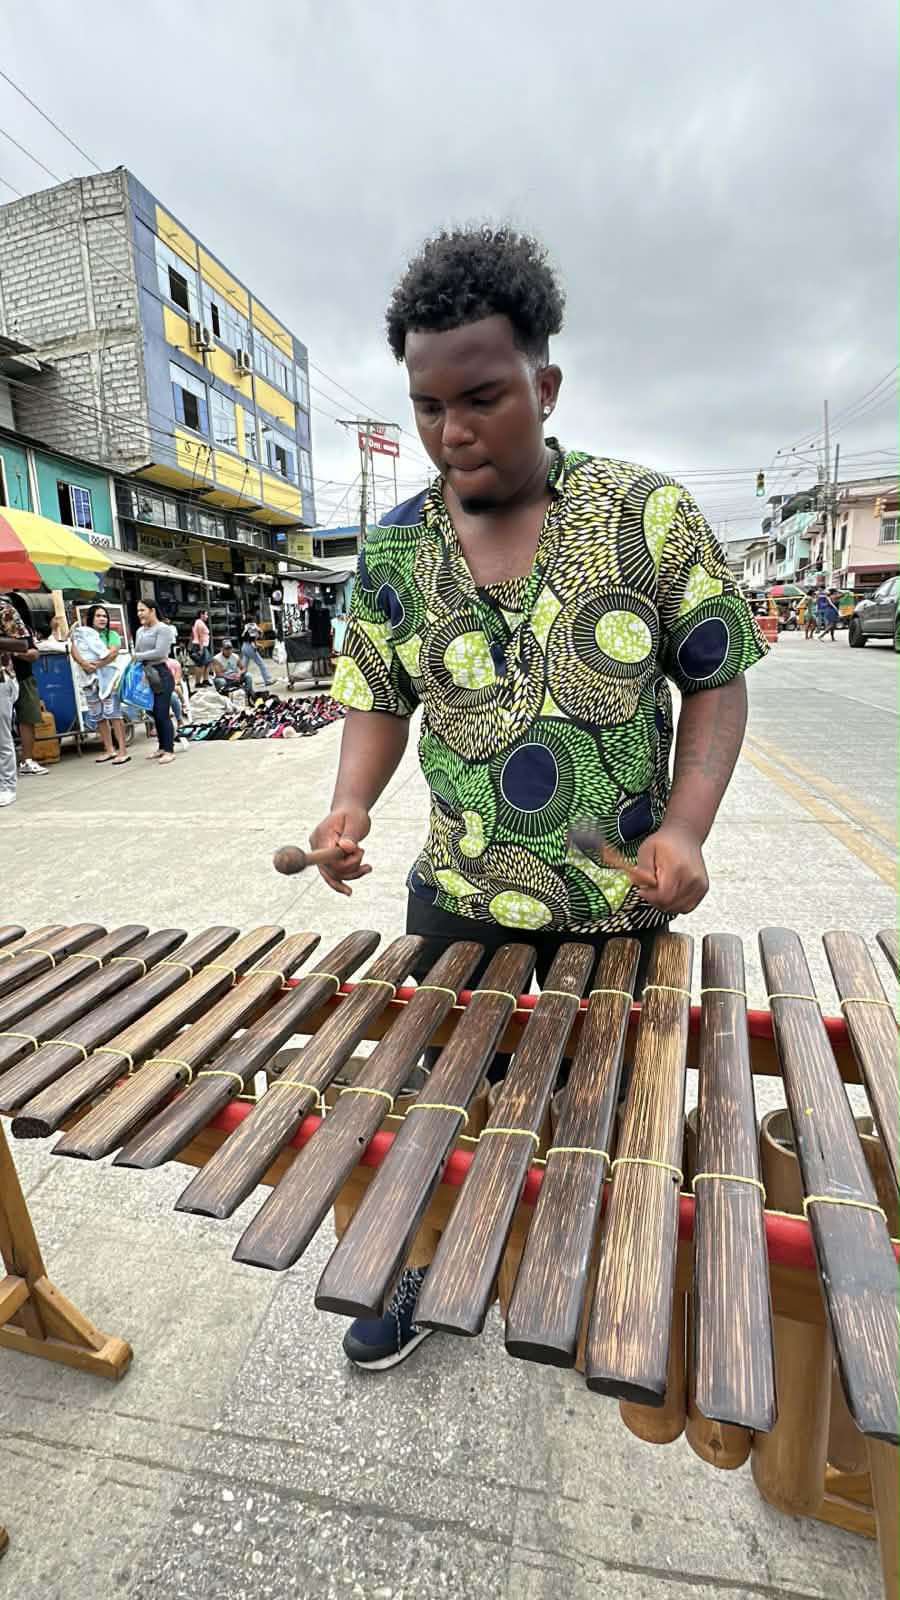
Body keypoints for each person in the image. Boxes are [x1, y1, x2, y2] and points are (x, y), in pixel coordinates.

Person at [311, 226, 768, 1371]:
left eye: (481, 399)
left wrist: (685, 827)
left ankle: (573, 1272)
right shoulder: (394, 551)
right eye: (427, 406)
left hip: (613, 910)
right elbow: (378, 696)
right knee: (435, 1102)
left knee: (592, 1118)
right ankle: (422, 1262)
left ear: (545, 385)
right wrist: (349, 806)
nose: (452, 431)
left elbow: (717, 675)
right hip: (458, 902)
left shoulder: (647, 514)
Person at [69, 603, 130, 766]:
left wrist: (95, 665)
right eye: (98, 616)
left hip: (108, 679)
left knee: (114, 714)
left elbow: (113, 652)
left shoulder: (111, 634)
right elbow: (73, 649)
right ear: (90, 618)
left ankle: (122, 750)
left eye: (104, 616)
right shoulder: (81, 633)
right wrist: (84, 664)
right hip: (89, 679)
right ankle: (109, 749)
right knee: (98, 715)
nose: (102, 619)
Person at [4, 595, 47, 777]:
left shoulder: (23, 631)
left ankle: (27, 760)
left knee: (28, 718)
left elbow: (33, 653)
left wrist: (12, 651)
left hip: (23, 677)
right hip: (4, 678)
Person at [134, 598, 177, 764]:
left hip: (161, 674)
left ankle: (169, 750)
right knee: (152, 712)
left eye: (142, 610)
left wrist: (138, 656)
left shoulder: (163, 629)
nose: (139, 614)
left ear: (152, 611)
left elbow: (161, 652)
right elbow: (138, 651)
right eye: (138, 611)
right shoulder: (140, 631)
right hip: (146, 674)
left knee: (161, 712)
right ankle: (161, 747)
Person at [0, 596, 32, 807]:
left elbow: (22, 644)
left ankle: (7, 787)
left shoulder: (4, 608)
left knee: (1, 738)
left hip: (1, 678)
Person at [241, 615, 272, 687]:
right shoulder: (253, 627)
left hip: (244, 647)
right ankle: (267, 680)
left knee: (244, 666)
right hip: (250, 647)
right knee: (261, 663)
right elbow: (253, 640)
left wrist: (259, 645)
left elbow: (251, 640)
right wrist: (256, 645)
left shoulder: (246, 627)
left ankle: (240, 681)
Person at [190, 609, 212, 686]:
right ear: (201, 615)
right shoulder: (199, 623)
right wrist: (201, 649)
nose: (207, 616)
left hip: (203, 645)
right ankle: (197, 682)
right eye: (206, 614)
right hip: (199, 646)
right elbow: (200, 637)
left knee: (208, 662)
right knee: (199, 664)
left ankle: (205, 679)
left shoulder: (199, 622)